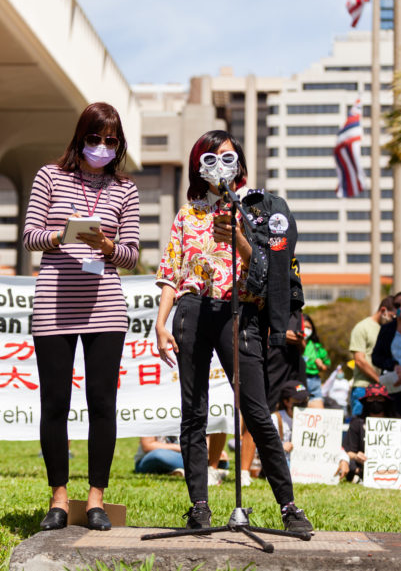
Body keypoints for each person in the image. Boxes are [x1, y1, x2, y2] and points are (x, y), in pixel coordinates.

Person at [155, 130, 312, 533]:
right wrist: (160, 322)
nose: (221, 166)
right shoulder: (188, 214)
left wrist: (239, 238)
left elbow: (269, 271)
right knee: (194, 412)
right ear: (198, 166)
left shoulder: (257, 209)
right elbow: (172, 272)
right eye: (211, 158)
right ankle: (199, 506)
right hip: (192, 310)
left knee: (256, 410)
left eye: (228, 157)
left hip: (238, 310)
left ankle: (289, 506)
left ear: (239, 163)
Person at [23, 102, 140, 532]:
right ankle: (58, 498)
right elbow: (30, 235)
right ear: (80, 138)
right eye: (95, 139)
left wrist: (107, 247)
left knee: (101, 404)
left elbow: (130, 254)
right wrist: (61, 233)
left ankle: (95, 500)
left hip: (105, 307)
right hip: (54, 302)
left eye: (111, 141)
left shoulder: (125, 189)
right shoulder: (49, 176)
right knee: (54, 402)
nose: (102, 148)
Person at [240, 310, 306, 487]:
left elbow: (303, 344)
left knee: (289, 418)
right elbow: (256, 331)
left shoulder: (298, 312)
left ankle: (281, 469)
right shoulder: (268, 304)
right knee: (256, 417)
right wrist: (283, 335)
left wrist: (299, 340)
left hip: (291, 371)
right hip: (270, 368)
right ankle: (244, 471)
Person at [349, 296, 396, 417]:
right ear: (383, 310)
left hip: (386, 391)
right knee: (360, 427)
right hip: (364, 388)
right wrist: (379, 380)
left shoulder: (390, 330)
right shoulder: (362, 327)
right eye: (392, 316)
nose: (394, 320)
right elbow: (359, 360)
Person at [342, 383, 398, 482]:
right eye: (371, 399)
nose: (375, 402)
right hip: (362, 470)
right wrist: (356, 457)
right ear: (365, 401)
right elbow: (347, 451)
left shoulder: (397, 424)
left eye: (379, 398)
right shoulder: (357, 423)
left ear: (385, 401)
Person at [372, 291, 401, 415]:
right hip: (393, 387)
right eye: (397, 305)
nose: (400, 308)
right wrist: (393, 365)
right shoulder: (387, 329)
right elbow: (376, 357)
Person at [270, 380, 309, 466]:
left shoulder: (310, 418)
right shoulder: (276, 419)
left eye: (305, 399)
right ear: (286, 401)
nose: (302, 402)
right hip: (283, 461)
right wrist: (281, 448)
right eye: (298, 399)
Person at [301, 314, 330, 408]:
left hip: (314, 382)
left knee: (318, 412)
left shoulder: (317, 347)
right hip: (299, 382)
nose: (306, 329)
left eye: (308, 327)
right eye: (303, 327)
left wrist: (321, 365)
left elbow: (327, 366)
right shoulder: (292, 345)